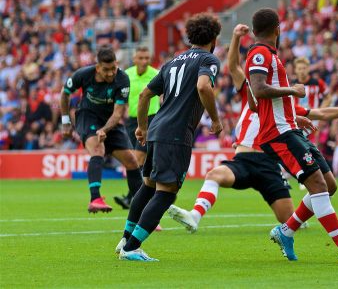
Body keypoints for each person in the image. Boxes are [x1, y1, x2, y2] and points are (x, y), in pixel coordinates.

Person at [167, 24, 338, 232]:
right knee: (214, 174)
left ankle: (293, 224)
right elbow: (233, 67)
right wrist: (235, 37)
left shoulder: (284, 105)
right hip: (244, 159)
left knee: (289, 218)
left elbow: (321, 113)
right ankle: (194, 216)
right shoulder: (250, 93)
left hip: (268, 163)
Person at [246, 8, 338, 263]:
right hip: (278, 134)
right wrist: (292, 91)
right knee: (317, 185)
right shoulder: (260, 54)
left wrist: (292, 113)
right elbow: (259, 90)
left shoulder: (269, 55)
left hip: (290, 127)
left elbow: (254, 101)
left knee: (329, 185)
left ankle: (286, 231)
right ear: (278, 29)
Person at [116, 13, 222, 261]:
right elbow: (204, 86)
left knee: (148, 187)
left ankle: (124, 240)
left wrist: (142, 127)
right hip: (176, 134)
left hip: (156, 129)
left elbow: (144, 96)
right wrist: (216, 119)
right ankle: (131, 248)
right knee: (166, 193)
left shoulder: (172, 63)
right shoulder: (209, 59)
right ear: (214, 38)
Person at [60, 47, 142, 213]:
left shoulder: (122, 79)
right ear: (97, 67)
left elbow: (118, 112)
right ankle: (95, 198)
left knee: (131, 161)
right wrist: (65, 121)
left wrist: (105, 129)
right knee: (98, 149)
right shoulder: (83, 74)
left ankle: (143, 209)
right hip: (87, 116)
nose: (111, 73)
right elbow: (64, 93)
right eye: (106, 70)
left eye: (113, 68)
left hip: (110, 121)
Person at [113, 47, 160, 209]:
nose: (144, 61)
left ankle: (132, 198)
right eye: (141, 58)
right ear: (134, 59)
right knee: (140, 160)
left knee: (137, 158)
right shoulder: (127, 74)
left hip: (151, 120)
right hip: (132, 121)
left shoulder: (155, 74)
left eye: (147, 58)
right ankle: (137, 196)